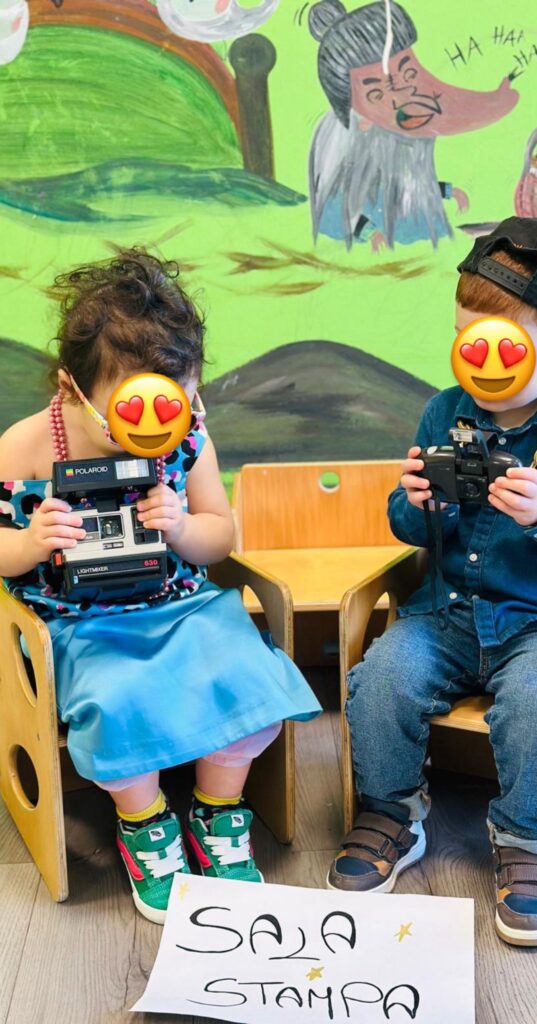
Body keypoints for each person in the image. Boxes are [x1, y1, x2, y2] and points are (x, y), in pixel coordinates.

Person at [0, 250, 322, 924]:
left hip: (181, 607)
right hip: (76, 623)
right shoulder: (27, 445)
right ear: (70, 388)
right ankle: (143, 819)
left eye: (174, 403)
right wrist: (28, 544)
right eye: (130, 409)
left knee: (250, 680)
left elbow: (220, 537)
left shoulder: (187, 441)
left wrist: (181, 527)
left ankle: (217, 808)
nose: (152, 428)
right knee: (116, 701)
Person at [327, 216, 537, 948]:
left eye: (504, 347)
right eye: (466, 339)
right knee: (382, 680)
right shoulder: (445, 410)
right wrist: (417, 503)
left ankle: (527, 841)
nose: (479, 361)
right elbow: (408, 525)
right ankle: (391, 810)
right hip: (448, 612)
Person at [308, 0, 516, 249]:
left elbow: (408, 190)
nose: (404, 95)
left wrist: (447, 191)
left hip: (423, 241)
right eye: (376, 93)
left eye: (410, 74)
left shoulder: (405, 141)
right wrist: (370, 233)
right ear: (359, 117)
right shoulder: (352, 156)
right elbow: (335, 212)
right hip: (390, 253)